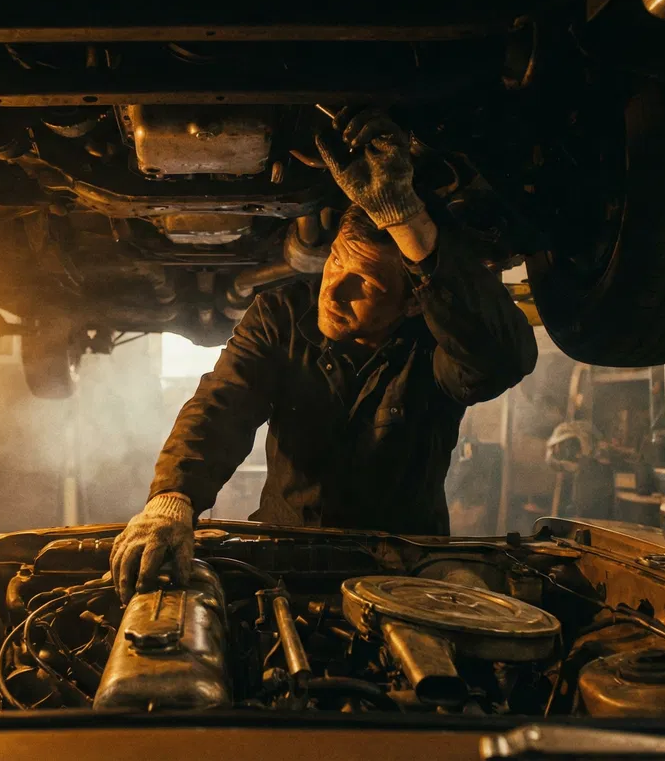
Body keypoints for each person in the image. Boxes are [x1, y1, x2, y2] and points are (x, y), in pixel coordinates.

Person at [110, 108, 538, 597]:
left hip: (403, 570)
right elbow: (223, 403)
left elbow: (501, 358)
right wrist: (172, 500)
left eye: (364, 284)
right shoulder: (280, 315)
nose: (332, 291)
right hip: (286, 558)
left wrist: (408, 222)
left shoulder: (436, 343)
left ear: (415, 301)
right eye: (336, 262)